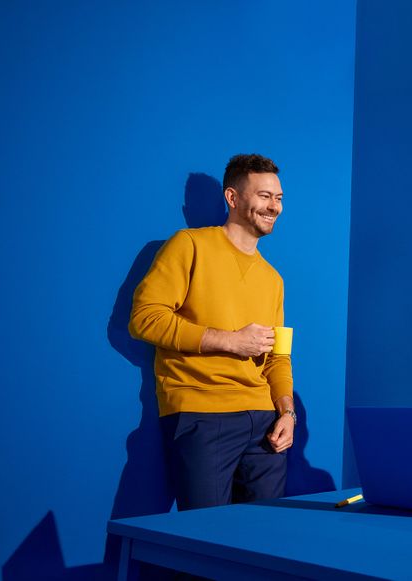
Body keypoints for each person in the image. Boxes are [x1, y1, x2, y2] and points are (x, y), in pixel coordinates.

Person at [129, 153, 295, 510]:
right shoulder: (189, 245)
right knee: (205, 544)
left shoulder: (274, 279)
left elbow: (279, 356)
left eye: (278, 197)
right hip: (203, 415)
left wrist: (287, 412)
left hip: (265, 425)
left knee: (265, 541)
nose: (274, 206)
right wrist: (230, 341)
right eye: (264, 196)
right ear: (232, 198)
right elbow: (144, 317)